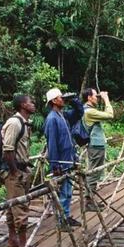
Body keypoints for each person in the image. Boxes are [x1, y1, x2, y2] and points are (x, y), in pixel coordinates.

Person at [1, 94, 37, 247]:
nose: (33, 104)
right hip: (14, 171)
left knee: (12, 205)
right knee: (20, 206)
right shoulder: (15, 123)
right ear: (23, 105)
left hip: (21, 169)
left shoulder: (24, 123)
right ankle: (23, 246)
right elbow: (7, 150)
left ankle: (13, 239)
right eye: (30, 102)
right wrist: (15, 172)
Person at [44, 87, 82, 231]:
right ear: (54, 101)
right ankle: (61, 221)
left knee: (68, 192)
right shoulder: (52, 119)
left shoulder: (63, 115)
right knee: (63, 193)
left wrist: (74, 100)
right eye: (60, 97)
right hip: (61, 163)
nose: (62, 99)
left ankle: (65, 216)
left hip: (68, 160)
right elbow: (52, 144)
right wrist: (55, 165)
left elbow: (79, 113)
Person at [82, 89, 114, 211]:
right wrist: (106, 99)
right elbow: (110, 115)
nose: (97, 98)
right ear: (89, 97)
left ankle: (91, 199)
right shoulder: (89, 111)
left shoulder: (88, 110)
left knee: (95, 172)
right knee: (93, 173)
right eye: (96, 96)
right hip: (95, 146)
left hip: (96, 145)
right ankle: (88, 202)